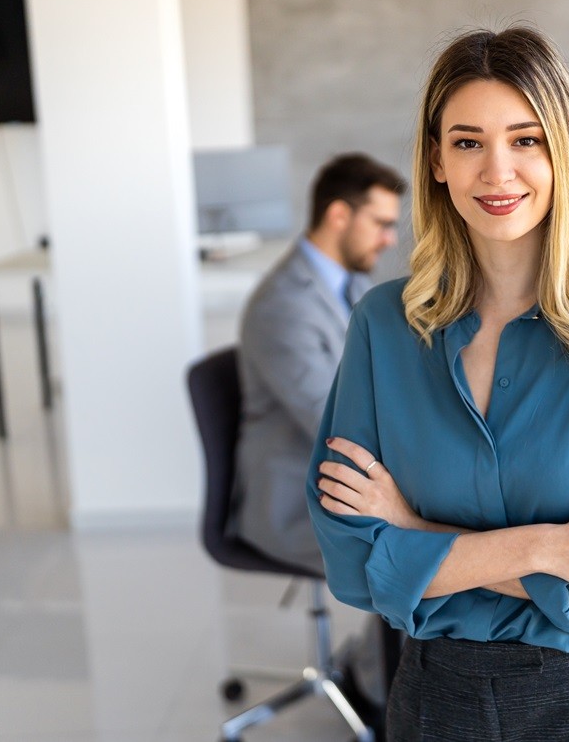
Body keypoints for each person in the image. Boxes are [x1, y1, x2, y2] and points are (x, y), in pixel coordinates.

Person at [304, 27, 569, 741]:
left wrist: (413, 535)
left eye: (526, 139)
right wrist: (550, 547)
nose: (497, 171)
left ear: (562, 154)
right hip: (431, 701)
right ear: (437, 161)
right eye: (469, 142)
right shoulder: (384, 326)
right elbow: (355, 563)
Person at [230, 152, 405, 720]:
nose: (389, 237)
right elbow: (335, 426)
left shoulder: (349, 285)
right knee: (408, 536)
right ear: (338, 215)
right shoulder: (283, 306)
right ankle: (385, 700)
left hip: (336, 476)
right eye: (380, 223)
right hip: (289, 500)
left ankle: (380, 673)